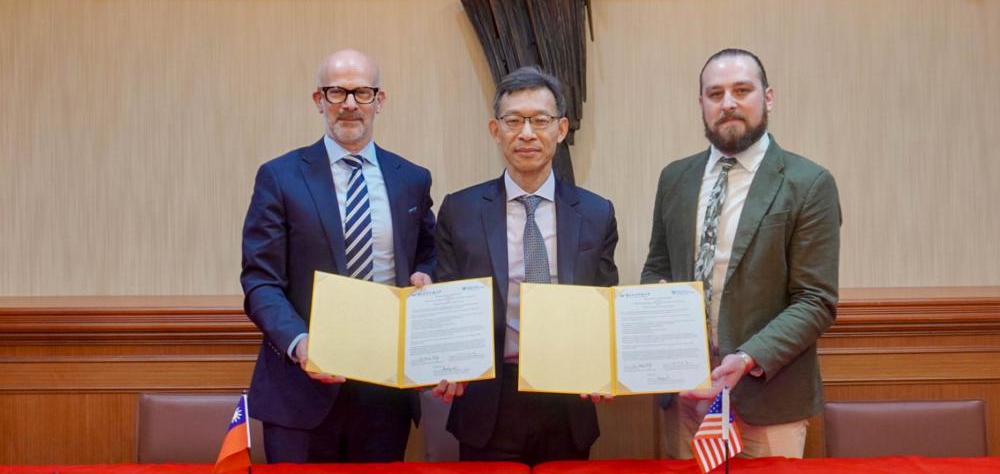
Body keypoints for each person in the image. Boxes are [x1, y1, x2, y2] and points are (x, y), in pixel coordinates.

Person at [641, 48, 841, 459]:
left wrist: (748, 358)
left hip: (768, 400)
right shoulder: (674, 178)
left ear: (768, 97)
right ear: (701, 103)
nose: (728, 103)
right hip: (686, 399)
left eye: (741, 90)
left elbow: (815, 300)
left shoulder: (809, 183)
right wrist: (658, 314)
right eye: (715, 94)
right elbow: (657, 267)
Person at [241, 48, 436, 463]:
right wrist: (300, 343)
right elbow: (260, 281)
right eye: (337, 92)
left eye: (362, 92)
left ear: (379, 101)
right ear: (319, 100)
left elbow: (430, 255)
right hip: (301, 391)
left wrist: (426, 276)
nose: (349, 104)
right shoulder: (280, 177)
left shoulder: (412, 179)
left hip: (386, 393)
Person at [432, 66, 619, 465]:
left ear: (561, 129)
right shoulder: (459, 210)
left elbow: (605, 300)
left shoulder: (596, 212)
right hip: (488, 398)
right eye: (514, 121)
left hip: (569, 396)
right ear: (495, 130)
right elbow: (447, 296)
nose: (527, 134)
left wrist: (605, 365)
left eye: (540, 121)